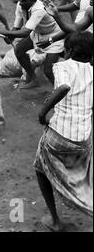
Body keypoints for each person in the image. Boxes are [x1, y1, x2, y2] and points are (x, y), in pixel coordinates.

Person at [34, 31, 93, 231]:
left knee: (40, 168)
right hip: (83, 138)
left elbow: (63, 87)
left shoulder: (61, 66)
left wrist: (43, 114)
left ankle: (55, 220)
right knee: (82, 177)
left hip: (59, 136)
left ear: (67, 51)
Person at [0, 0, 63, 89]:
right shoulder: (21, 4)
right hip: (37, 34)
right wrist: (10, 37)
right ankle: (34, 79)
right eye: (20, 0)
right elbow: (17, 26)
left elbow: (25, 32)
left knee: (48, 70)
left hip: (54, 37)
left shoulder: (39, 9)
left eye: (24, 1)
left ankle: (61, 92)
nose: (20, 3)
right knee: (19, 50)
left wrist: (5, 32)